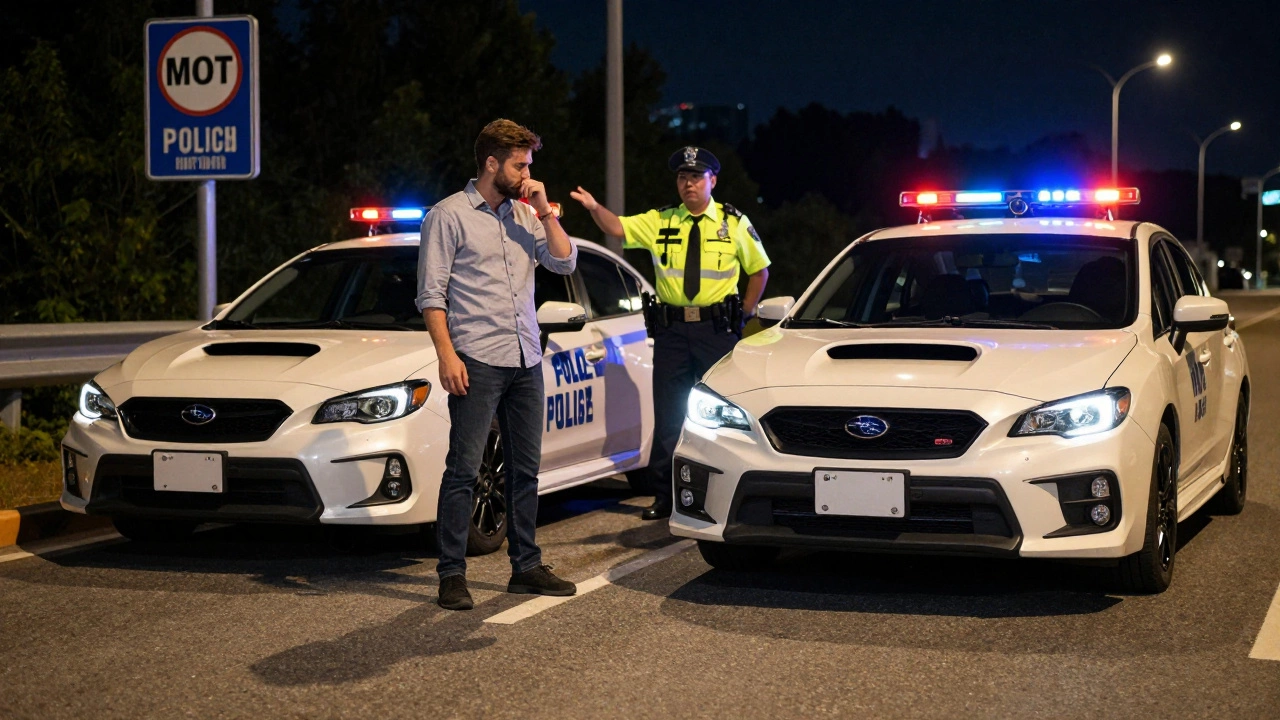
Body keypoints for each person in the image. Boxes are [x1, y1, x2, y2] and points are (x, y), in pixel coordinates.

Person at [417, 119, 578, 610]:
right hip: (478, 360)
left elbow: (565, 263)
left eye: (529, 163)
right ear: (492, 163)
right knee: (463, 470)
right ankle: (451, 574)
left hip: (526, 357)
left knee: (525, 470)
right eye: (520, 164)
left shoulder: (527, 215)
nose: (528, 172)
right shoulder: (448, 216)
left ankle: (526, 567)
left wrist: (547, 211)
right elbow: (431, 294)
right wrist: (447, 355)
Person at [570, 146, 770, 519]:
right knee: (669, 413)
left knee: (724, 410)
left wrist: (744, 313)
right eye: (682, 177)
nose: (688, 184)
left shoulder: (733, 222)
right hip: (673, 330)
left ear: (712, 180)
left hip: (716, 328)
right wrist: (595, 207)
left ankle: (727, 488)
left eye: (696, 177)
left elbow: (759, 270)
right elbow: (617, 227)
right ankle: (666, 496)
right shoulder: (662, 220)